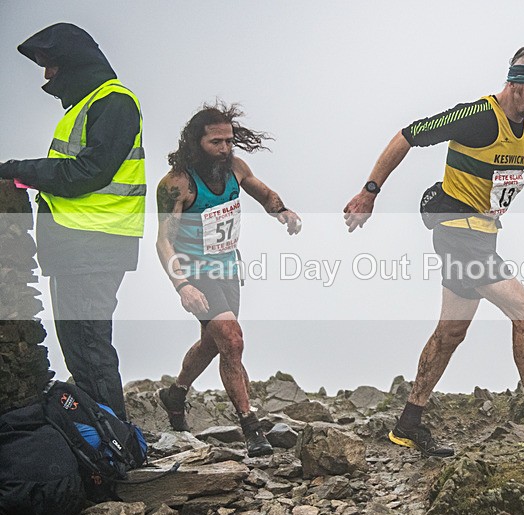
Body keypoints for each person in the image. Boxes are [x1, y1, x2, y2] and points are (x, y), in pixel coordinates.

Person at [343, 46, 524, 457]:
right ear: (513, 83)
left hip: (483, 235)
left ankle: (408, 425)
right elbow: (407, 135)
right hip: (456, 232)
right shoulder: (478, 117)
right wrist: (369, 192)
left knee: (450, 333)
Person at [0, 23, 146, 420]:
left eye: (50, 65)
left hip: (93, 244)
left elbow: (89, 173)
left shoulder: (114, 102)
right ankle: (105, 442)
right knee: (83, 351)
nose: (47, 75)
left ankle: (114, 451)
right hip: (79, 244)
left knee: (89, 350)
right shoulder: (88, 105)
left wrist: (16, 169)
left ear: (73, 62)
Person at [155, 103, 301, 457]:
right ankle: (250, 426)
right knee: (232, 340)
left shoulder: (235, 168)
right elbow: (163, 241)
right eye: (215, 142)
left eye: (228, 141)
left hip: (227, 268)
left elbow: (262, 192)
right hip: (194, 271)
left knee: (214, 341)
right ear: (195, 142)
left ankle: (175, 394)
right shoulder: (178, 184)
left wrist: (281, 210)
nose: (224, 149)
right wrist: (182, 286)